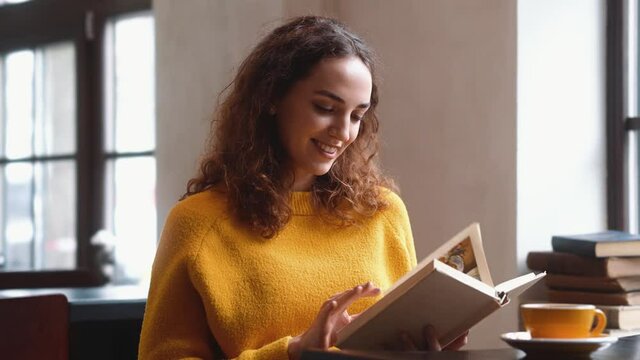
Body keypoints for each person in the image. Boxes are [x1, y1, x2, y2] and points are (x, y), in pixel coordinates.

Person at [138, 15, 468, 360]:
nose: (343, 132)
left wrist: (426, 351)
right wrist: (293, 352)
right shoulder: (197, 223)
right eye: (325, 108)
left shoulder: (384, 212)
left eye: (357, 116)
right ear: (272, 98)